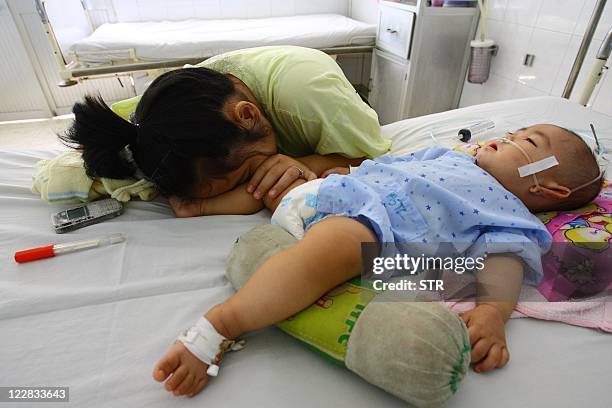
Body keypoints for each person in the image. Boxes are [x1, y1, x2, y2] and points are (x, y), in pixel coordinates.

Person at [151, 124, 604, 397]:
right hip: (336, 193)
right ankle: (207, 205)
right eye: (513, 131)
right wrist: (345, 173)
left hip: (376, 228)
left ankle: (219, 326)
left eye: (527, 141)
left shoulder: (510, 215)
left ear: (550, 189)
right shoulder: (448, 155)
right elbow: (391, 163)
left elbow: (502, 265)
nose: (505, 138)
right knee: (275, 188)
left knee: (323, 255)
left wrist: (491, 312)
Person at [61, 46, 391, 215]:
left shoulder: (313, 97)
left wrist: (311, 163)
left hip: (311, 87)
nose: (254, 188)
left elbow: (374, 160)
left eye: (249, 177)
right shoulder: (160, 109)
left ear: (248, 115)